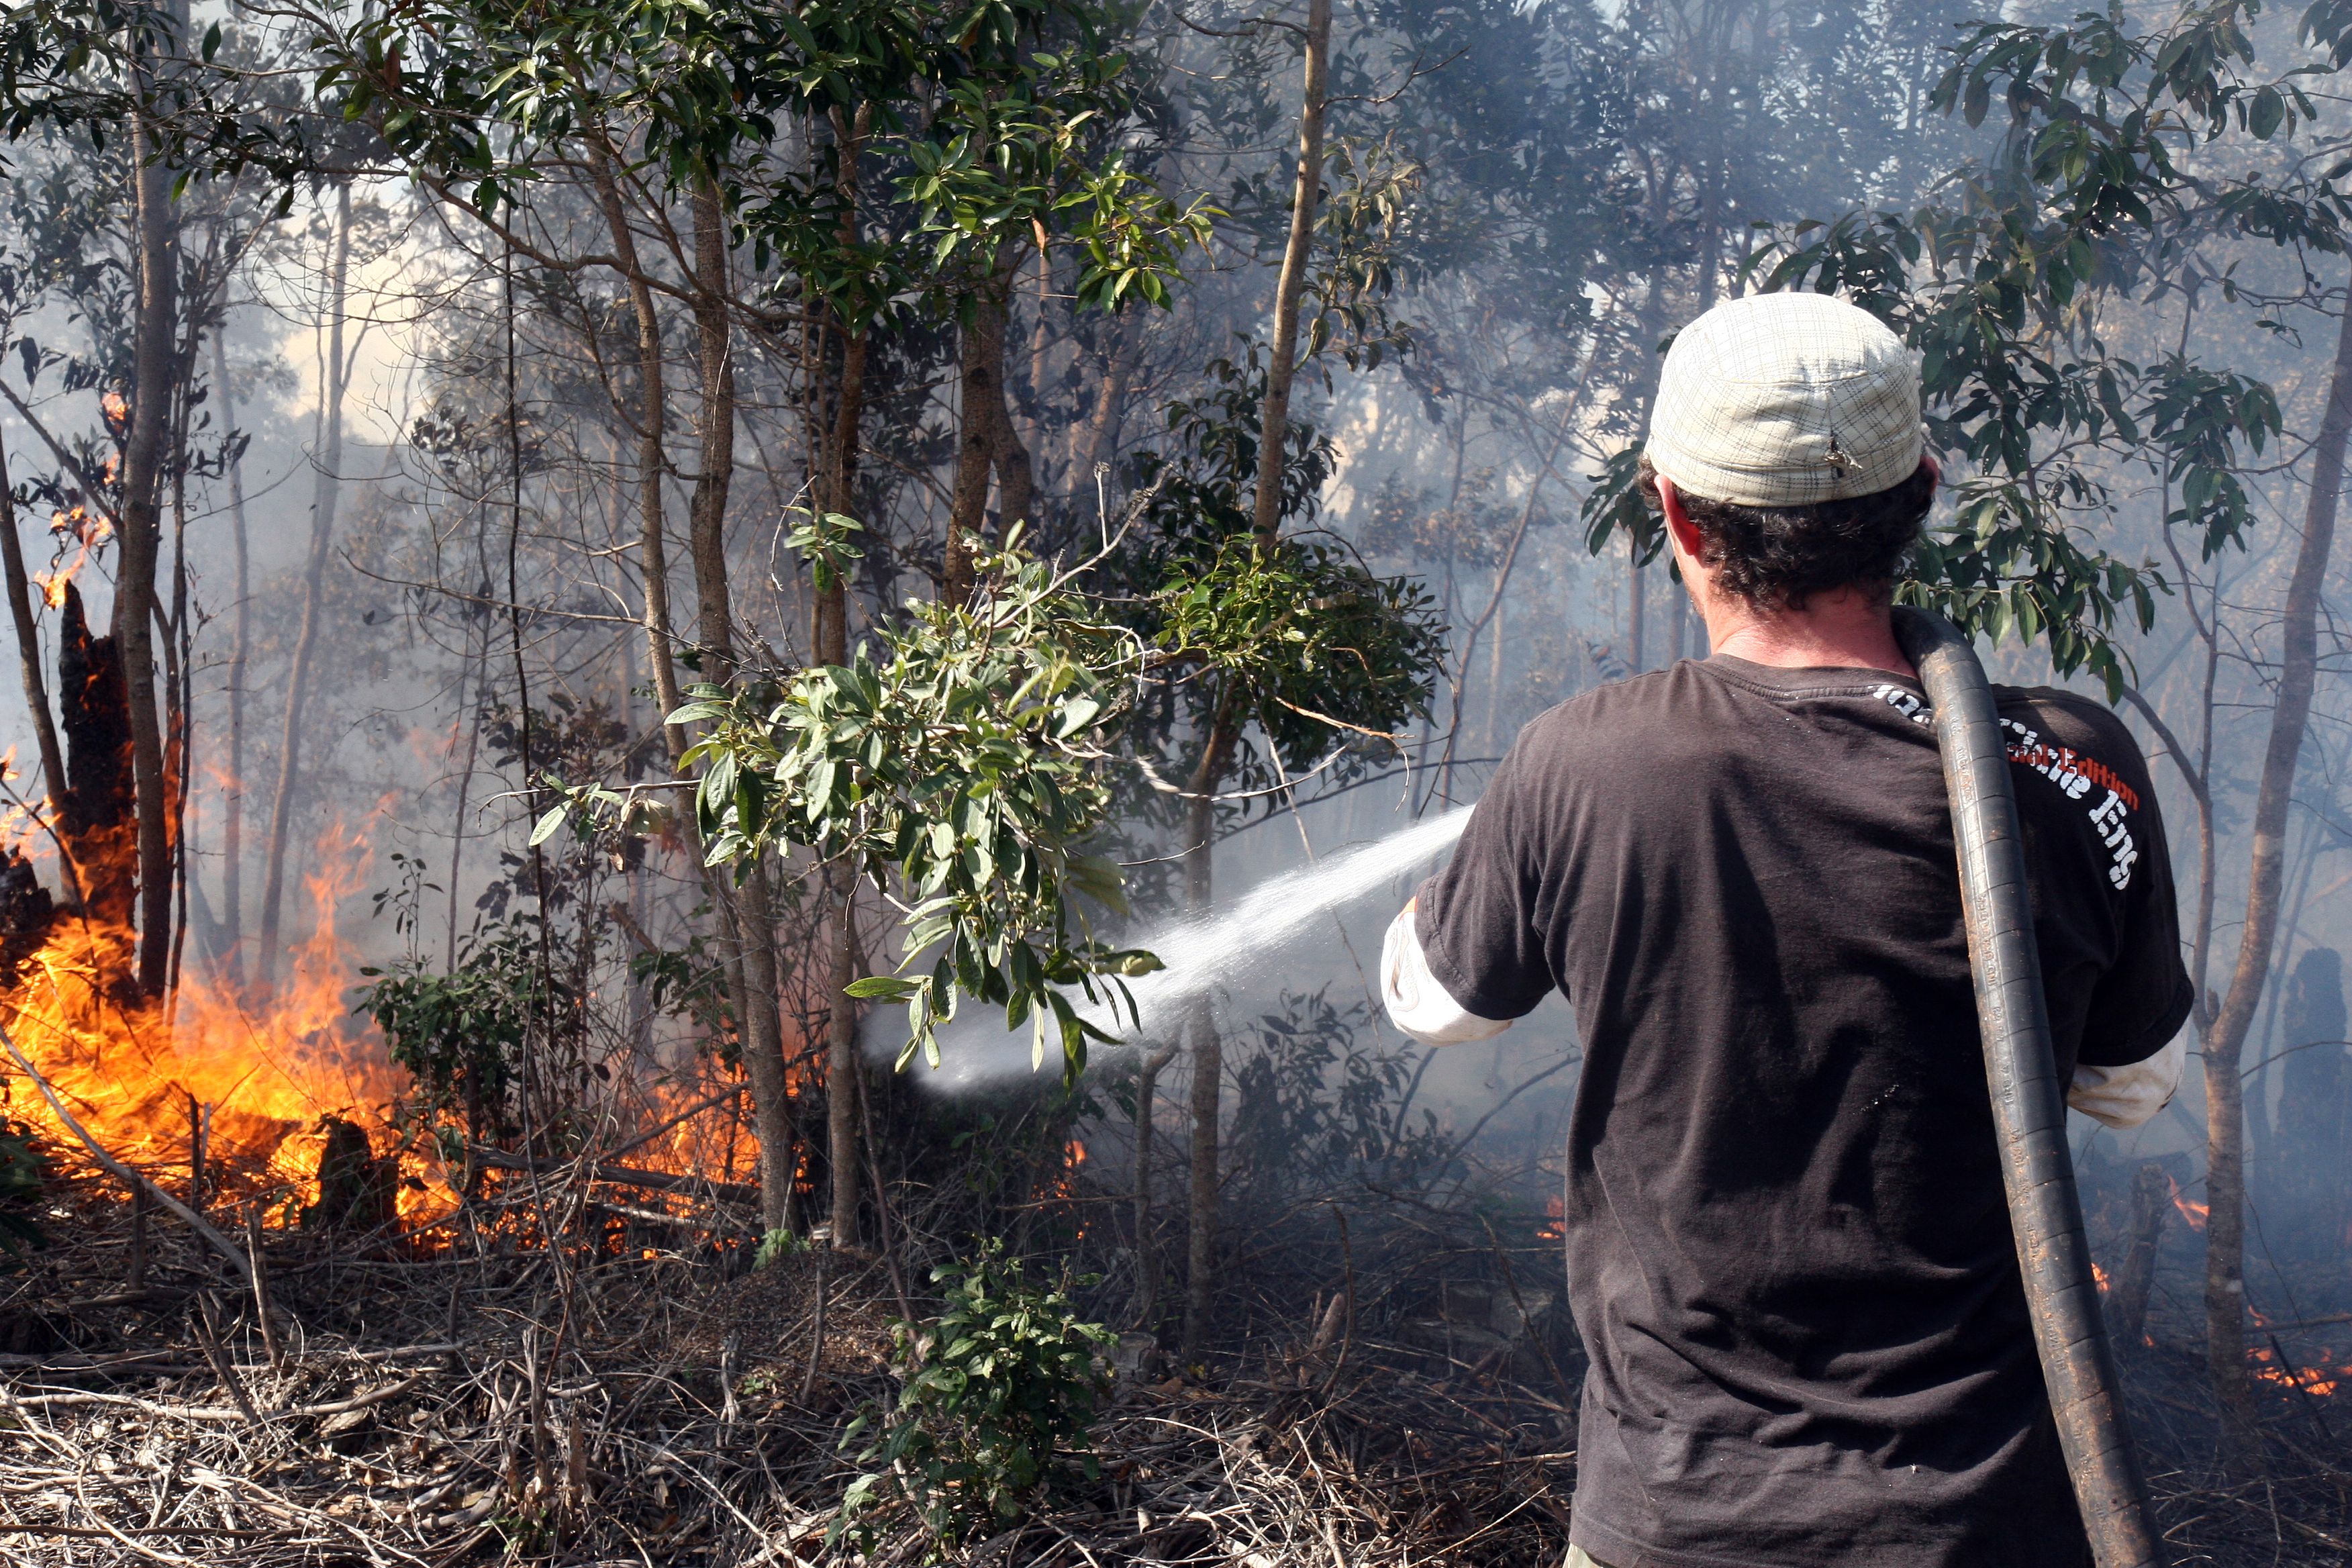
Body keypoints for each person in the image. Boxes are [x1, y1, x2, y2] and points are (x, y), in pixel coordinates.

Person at [1381, 292, 2191, 1568]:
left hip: (1678, 1521)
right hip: (1983, 1522)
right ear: (1923, 489)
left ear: (1675, 512)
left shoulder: (1585, 763)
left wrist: (1491, 862)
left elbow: (1433, 1001)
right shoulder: (2077, 767)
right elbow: (2131, 1089)